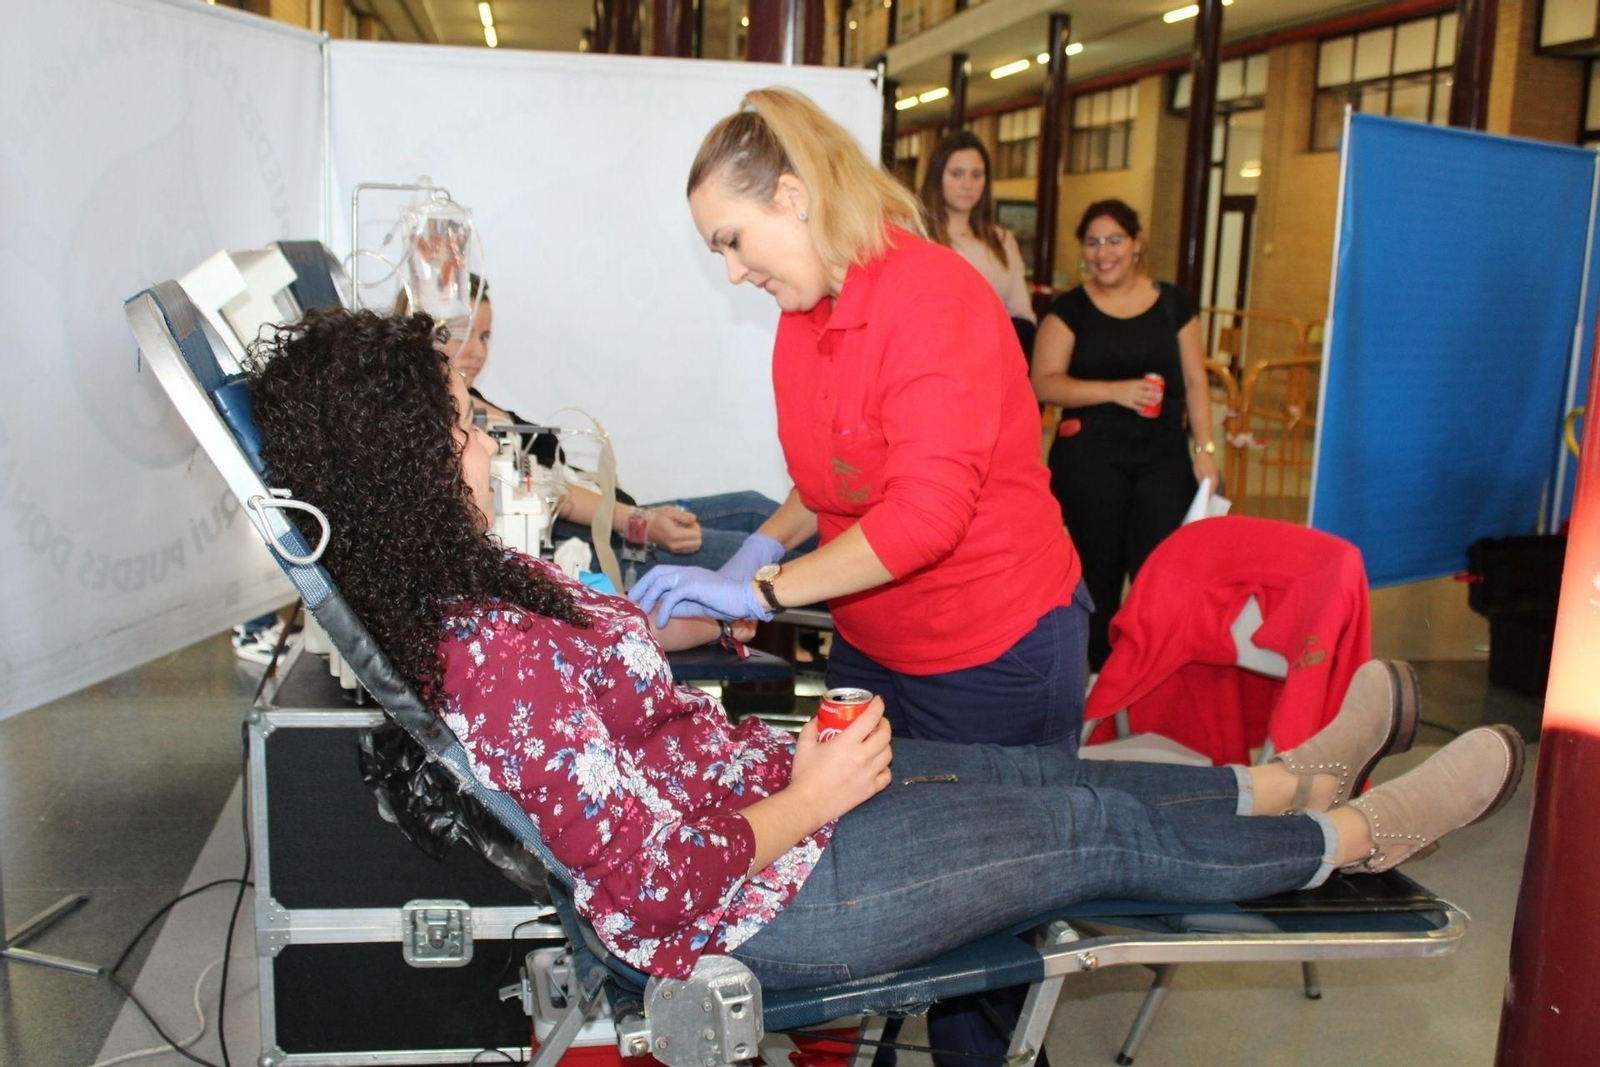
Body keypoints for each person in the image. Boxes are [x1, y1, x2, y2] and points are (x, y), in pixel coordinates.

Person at [245, 305, 1525, 1005]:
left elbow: (611, 680)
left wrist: (702, 612)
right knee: (1082, 833)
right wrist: (811, 796)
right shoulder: (485, 653)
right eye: (461, 424)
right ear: (406, 463)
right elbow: (645, 884)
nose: (485, 439)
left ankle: (1292, 775)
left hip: (755, 797)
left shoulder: (481, 577)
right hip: (762, 898)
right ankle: (1354, 835)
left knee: (1044, 776)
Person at [633, 88, 1089, 755]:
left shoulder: (931, 297)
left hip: (990, 653)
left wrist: (760, 593)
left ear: (792, 196)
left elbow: (926, 516)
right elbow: (834, 478)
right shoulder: (805, 315)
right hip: (872, 645)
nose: (732, 273)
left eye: (733, 241)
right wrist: (757, 550)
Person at [399, 275, 787, 577]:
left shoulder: (474, 403)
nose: (478, 351)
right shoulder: (445, 420)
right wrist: (638, 523)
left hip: (605, 520)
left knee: (753, 509)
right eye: (462, 334)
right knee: (760, 555)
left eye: (484, 337)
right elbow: (551, 491)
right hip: (578, 542)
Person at [1032, 199, 1221, 672]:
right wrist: (1114, 391)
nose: (1103, 252)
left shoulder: (1174, 305)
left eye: (1114, 240)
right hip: (1090, 458)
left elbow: (1195, 380)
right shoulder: (1069, 310)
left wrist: (1205, 448)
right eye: (1092, 242)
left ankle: (1150, 672)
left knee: (1160, 569)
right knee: (1098, 571)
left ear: (1137, 244)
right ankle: (1097, 677)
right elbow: (1043, 383)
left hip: (1163, 456)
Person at [919, 131, 1036, 358]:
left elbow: (1022, 317)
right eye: (957, 174)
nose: (968, 184)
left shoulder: (1002, 240)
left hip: (992, 360)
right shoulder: (916, 234)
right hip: (932, 357)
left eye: (977, 174)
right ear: (937, 177)